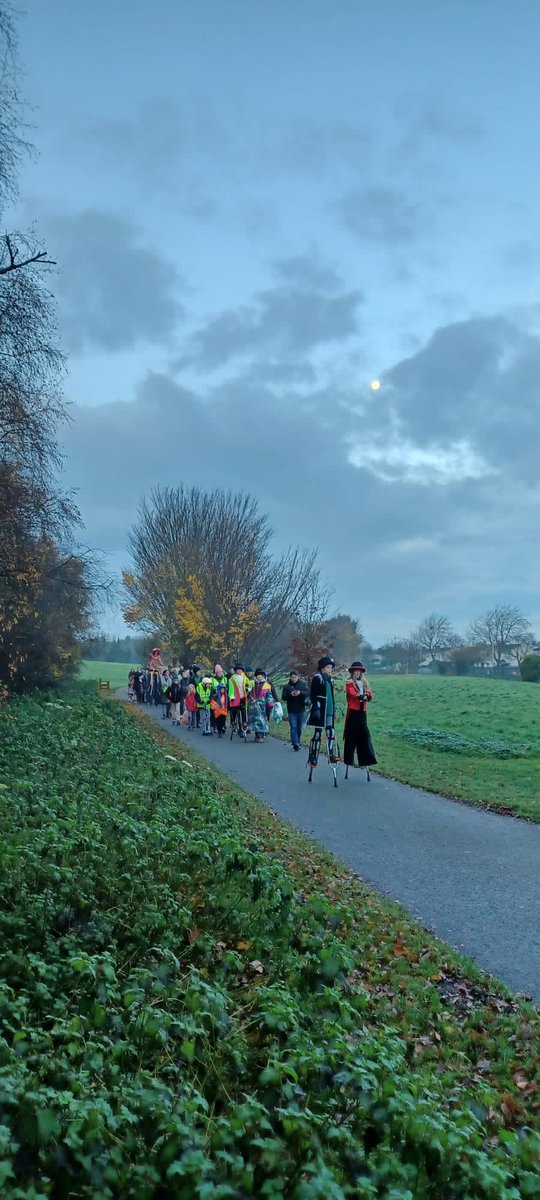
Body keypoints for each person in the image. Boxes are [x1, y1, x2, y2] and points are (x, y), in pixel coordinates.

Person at [343, 661, 377, 776]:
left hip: (362, 713)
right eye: (355, 671)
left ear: (361, 672)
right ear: (352, 672)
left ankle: (365, 761)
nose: (357, 673)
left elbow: (370, 694)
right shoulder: (349, 683)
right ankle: (349, 759)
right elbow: (352, 693)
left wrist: (368, 696)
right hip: (353, 713)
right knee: (351, 736)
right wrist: (361, 696)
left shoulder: (364, 683)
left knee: (364, 736)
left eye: (359, 671)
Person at [307, 656, 340, 769]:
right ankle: (313, 755)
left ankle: (331, 754)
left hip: (329, 709)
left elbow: (331, 695)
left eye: (331, 668)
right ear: (322, 668)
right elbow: (313, 695)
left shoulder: (330, 679)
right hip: (320, 709)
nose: (329, 669)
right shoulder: (318, 678)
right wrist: (315, 706)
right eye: (327, 667)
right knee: (318, 733)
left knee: (331, 732)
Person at [282, 670, 308, 751]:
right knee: (293, 726)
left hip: (301, 709)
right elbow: (283, 697)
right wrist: (290, 694)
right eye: (292, 677)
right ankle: (295, 743)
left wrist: (300, 693)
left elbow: (308, 693)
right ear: (290, 677)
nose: (294, 679)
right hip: (291, 710)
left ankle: (297, 741)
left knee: (299, 727)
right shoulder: (287, 686)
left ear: (298, 677)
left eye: (295, 677)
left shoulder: (302, 685)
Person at [248, 668, 274, 743]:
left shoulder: (267, 685)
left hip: (262, 706)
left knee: (261, 720)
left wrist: (270, 703)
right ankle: (257, 735)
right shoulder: (252, 683)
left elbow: (269, 695)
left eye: (261, 675)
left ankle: (260, 736)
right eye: (258, 675)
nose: (259, 677)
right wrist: (249, 694)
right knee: (254, 720)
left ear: (263, 676)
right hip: (253, 705)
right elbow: (248, 692)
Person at [228, 663, 250, 736]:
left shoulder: (245, 677)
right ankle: (239, 728)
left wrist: (248, 688)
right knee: (238, 713)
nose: (239, 671)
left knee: (244, 712)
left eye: (241, 669)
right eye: (238, 669)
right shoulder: (232, 679)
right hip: (236, 698)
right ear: (236, 670)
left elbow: (249, 684)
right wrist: (231, 696)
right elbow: (231, 689)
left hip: (243, 697)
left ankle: (244, 725)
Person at [211, 664, 228, 737]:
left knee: (223, 719)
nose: (220, 674)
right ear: (216, 673)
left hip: (224, 707)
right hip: (216, 699)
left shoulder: (225, 679)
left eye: (221, 672)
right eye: (218, 672)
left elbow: (227, 687)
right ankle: (217, 729)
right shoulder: (212, 679)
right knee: (217, 719)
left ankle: (222, 727)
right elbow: (211, 689)